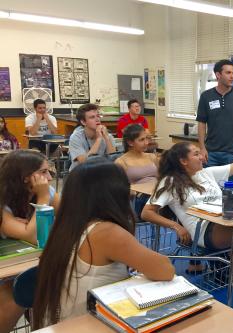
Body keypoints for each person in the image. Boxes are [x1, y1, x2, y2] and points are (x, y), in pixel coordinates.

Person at [32, 158, 175, 328]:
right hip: (90, 324)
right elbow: (165, 270)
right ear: (116, 192)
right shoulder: (107, 232)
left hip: (63, 323)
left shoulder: (66, 225)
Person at [141, 139, 233, 258]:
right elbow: (147, 213)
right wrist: (177, 227)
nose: (202, 157)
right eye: (196, 154)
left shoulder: (206, 173)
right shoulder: (170, 182)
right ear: (183, 161)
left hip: (226, 221)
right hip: (204, 231)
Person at [0, 150, 59, 333]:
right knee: (18, 296)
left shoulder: (47, 190)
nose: (49, 178)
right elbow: (33, 236)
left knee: (41, 293)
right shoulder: (3, 199)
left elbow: (71, 214)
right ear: (26, 177)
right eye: (43, 172)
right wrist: (42, 200)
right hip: (7, 268)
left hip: (27, 263)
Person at [196, 59, 233, 180]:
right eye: (228, 73)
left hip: (232, 153)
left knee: (229, 190)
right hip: (210, 153)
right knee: (209, 188)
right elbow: (201, 123)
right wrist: (202, 148)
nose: (232, 76)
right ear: (218, 75)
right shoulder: (206, 96)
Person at [115, 124, 158, 215]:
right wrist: (133, 191)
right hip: (139, 197)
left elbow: (162, 178)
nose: (146, 142)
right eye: (141, 140)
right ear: (130, 143)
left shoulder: (152, 157)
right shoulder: (121, 161)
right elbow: (118, 187)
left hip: (157, 193)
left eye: (147, 138)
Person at [68, 103, 116, 171]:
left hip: (101, 173)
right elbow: (84, 162)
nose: (97, 120)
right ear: (83, 122)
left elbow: (113, 159)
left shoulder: (107, 136)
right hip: (80, 174)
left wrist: (107, 138)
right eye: (92, 117)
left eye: (98, 116)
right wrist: (98, 139)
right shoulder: (76, 137)